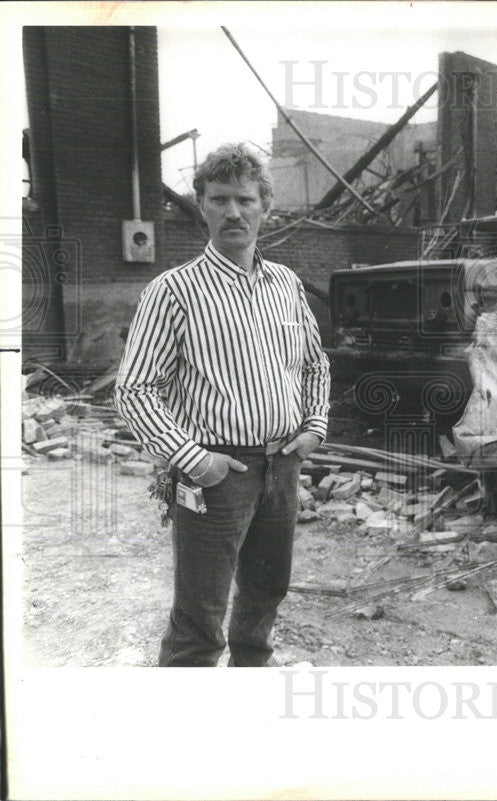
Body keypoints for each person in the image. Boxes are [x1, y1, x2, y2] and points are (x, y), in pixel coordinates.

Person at [115, 143, 331, 667]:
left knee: (264, 595)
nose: (233, 212)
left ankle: (247, 701)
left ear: (265, 207)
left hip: (282, 466)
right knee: (200, 617)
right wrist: (196, 462)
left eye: (244, 199)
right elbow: (134, 390)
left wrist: (313, 428)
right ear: (202, 205)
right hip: (215, 474)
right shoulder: (174, 290)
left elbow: (314, 363)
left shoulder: (285, 284)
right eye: (219, 200)